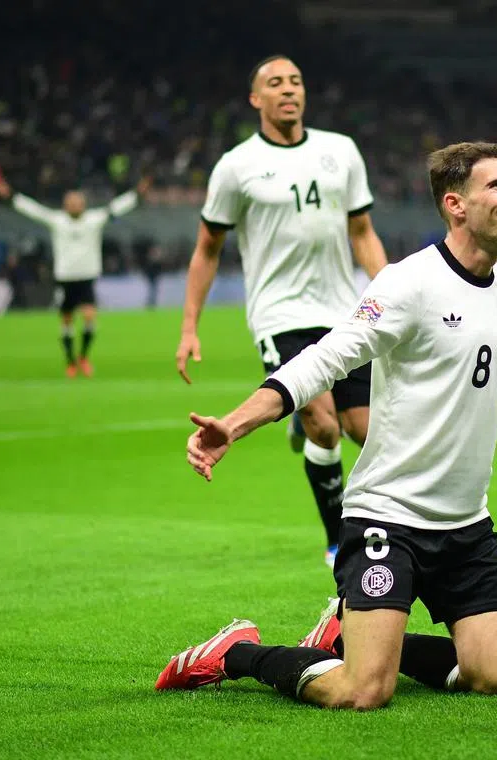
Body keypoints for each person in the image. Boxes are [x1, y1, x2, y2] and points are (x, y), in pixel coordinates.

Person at [155, 142, 497, 710]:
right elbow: (324, 359)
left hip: (466, 525)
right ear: (455, 204)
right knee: (363, 691)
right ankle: (236, 652)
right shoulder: (409, 283)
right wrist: (235, 423)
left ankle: (346, 637)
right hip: (389, 517)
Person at [174, 55, 390, 567]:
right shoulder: (237, 166)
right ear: (256, 99)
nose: (288, 89)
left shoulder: (341, 151)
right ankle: (338, 541)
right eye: (275, 83)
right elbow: (207, 248)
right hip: (280, 314)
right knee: (324, 425)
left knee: (365, 430)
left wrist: (392, 294)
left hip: (344, 311)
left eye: (295, 81)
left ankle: (304, 427)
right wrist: (189, 327)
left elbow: (362, 232)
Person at [0, 164, 151, 377]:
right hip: (65, 278)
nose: (74, 205)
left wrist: (138, 193)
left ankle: (83, 357)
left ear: (83, 204)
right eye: (70, 202)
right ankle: (70, 361)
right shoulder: (57, 220)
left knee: (89, 317)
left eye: (77, 202)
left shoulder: (94, 219)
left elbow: (117, 207)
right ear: (65, 205)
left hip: (87, 276)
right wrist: (9, 195)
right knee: (67, 320)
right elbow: (31, 209)